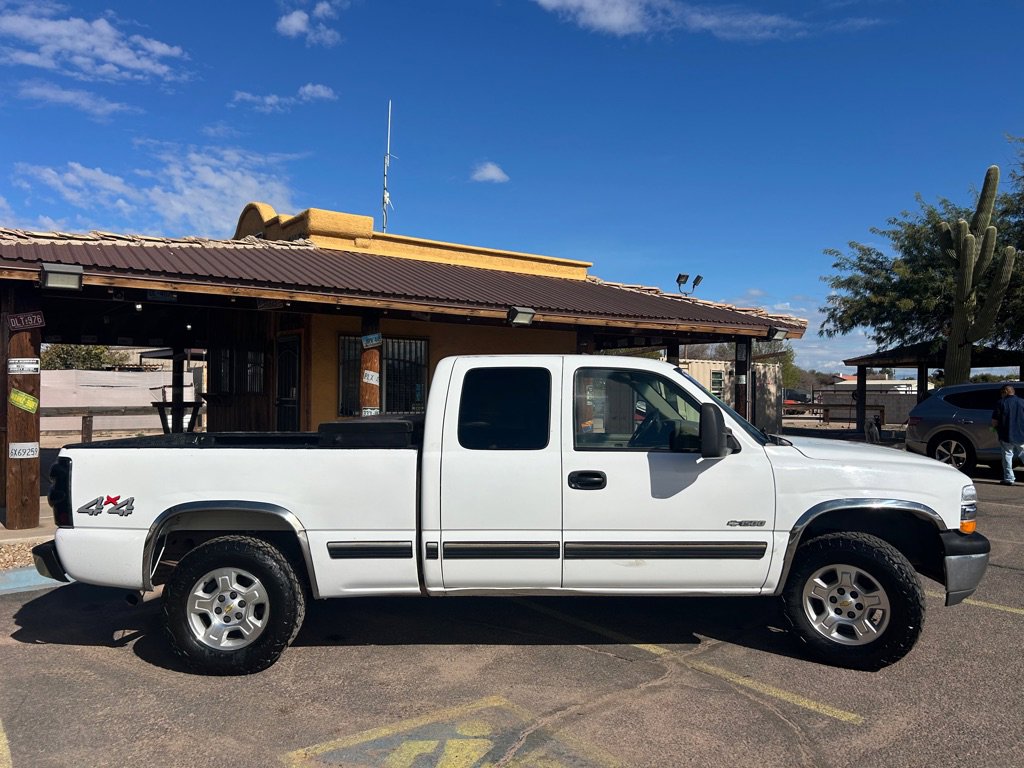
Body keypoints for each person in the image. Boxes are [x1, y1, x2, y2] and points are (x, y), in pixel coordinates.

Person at [991, 384, 1024, 486]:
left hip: (1006, 434)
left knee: (1007, 456)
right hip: (1021, 434)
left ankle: (1009, 478)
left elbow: (994, 421)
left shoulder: (1001, 403)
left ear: (1005, 392)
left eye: (1002, 393)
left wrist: (993, 430)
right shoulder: (1022, 402)